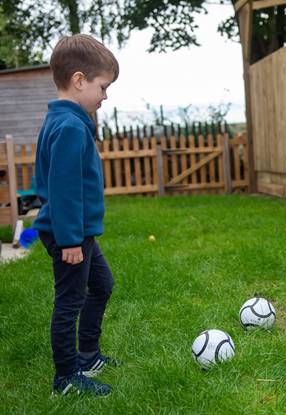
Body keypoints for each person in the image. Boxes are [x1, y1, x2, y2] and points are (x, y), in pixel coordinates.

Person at [33, 34, 120, 396]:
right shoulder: (69, 127)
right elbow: (64, 188)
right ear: (79, 80)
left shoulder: (69, 122)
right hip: (69, 234)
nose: (105, 96)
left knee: (101, 285)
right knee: (69, 301)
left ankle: (87, 354)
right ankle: (66, 376)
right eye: (103, 87)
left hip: (78, 231)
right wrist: (70, 240)